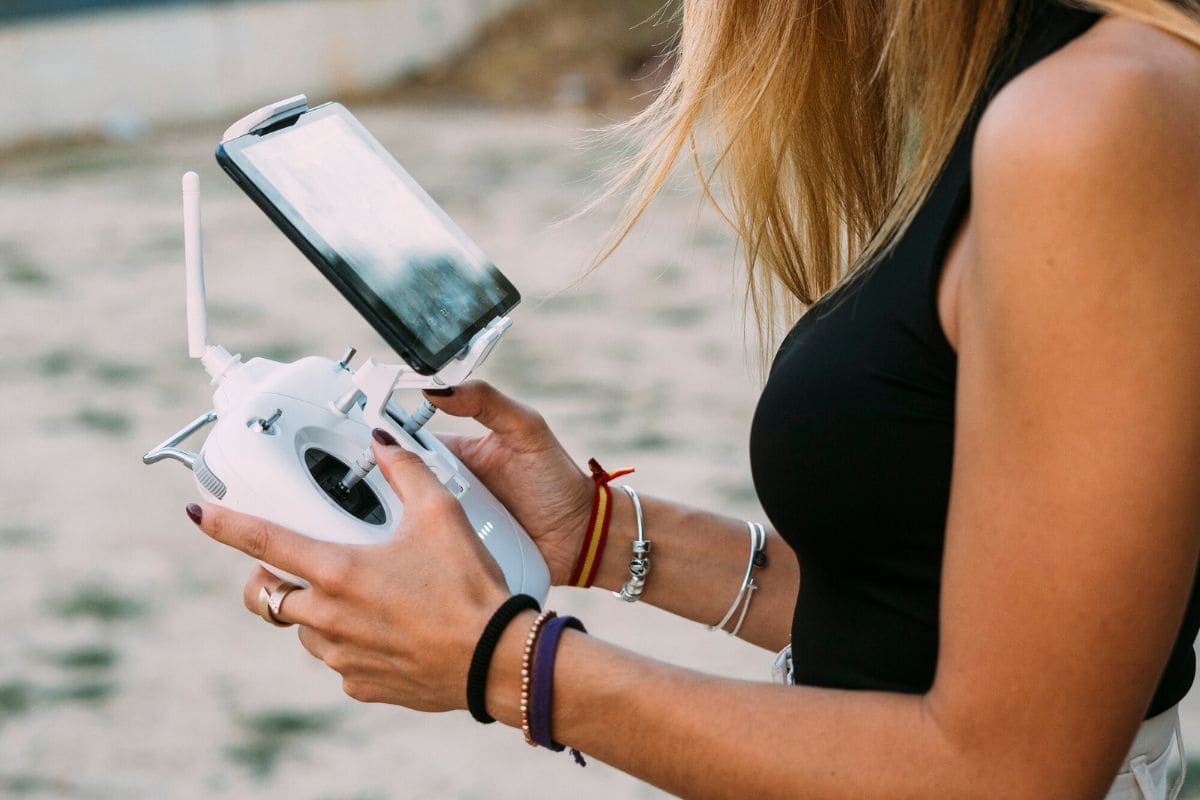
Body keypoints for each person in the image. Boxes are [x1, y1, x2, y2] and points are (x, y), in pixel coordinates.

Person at [182, 1, 1200, 797]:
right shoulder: (1028, 94)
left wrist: (501, 659)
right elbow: (922, 619)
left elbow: (1012, 773)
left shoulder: (1096, 117)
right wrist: (600, 534)